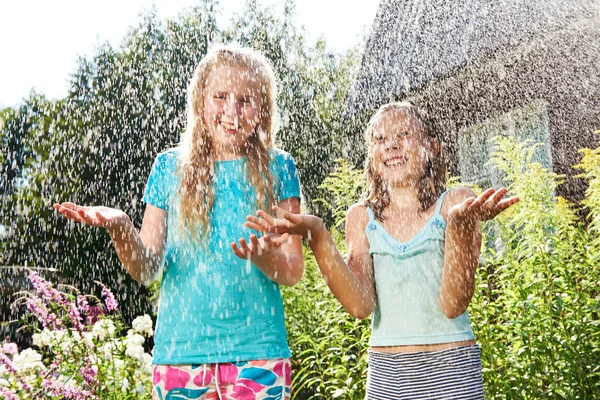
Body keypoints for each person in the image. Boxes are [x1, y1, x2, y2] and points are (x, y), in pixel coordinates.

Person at [54, 45, 303, 400]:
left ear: (263, 109)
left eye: (246, 100)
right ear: (200, 101)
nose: (232, 110)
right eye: (220, 96)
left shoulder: (279, 168)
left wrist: (265, 259)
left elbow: (293, 270)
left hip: (258, 353)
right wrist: (121, 227)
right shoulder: (169, 168)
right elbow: (147, 269)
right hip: (180, 357)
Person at [244, 102, 519, 399]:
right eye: (380, 139)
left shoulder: (456, 204)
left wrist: (461, 227)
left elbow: (453, 304)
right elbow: (360, 306)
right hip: (387, 376)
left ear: (432, 146)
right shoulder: (362, 218)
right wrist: (317, 235)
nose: (391, 145)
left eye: (403, 134)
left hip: (450, 368)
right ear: (371, 157)